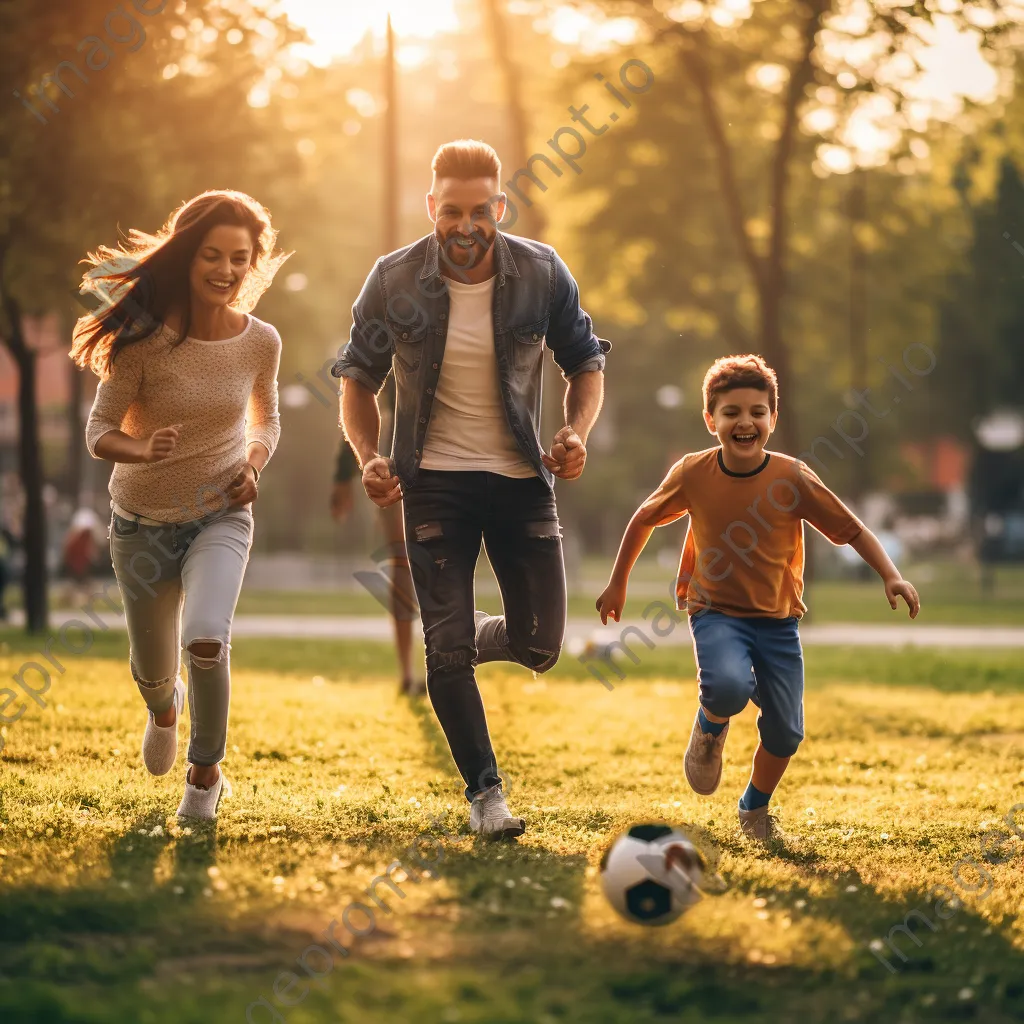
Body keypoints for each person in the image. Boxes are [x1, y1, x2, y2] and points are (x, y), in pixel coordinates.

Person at [334, 139, 608, 837]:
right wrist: (368, 454)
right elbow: (357, 379)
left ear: (500, 206)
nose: (464, 225)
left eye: (479, 211)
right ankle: (487, 795)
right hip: (434, 485)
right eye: (450, 211)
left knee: (541, 644)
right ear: (431, 207)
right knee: (446, 654)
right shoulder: (393, 279)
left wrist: (575, 432)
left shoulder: (541, 272)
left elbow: (585, 364)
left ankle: (460, 638)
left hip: (521, 482)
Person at [597, 354, 920, 843]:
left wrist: (891, 575)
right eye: (731, 412)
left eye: (756, 411)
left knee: (787, 733)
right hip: (715, 610)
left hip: (778, 620)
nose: (744, 421)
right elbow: (643, 519)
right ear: (711, 420)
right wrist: (618, 581)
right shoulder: (692, 472)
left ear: (773, 418)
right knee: (727, 685)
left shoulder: (792, 478)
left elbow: (852, 529)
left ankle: (754, 806)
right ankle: (710, 728)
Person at [72, 189, 288, 820]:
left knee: (207, 639)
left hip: (220, 514)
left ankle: (205, 774)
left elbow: (267, 420)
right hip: (140, 527)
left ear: (252, 265)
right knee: (153, 669)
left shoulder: (261, 341)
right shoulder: (142, 341)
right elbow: (97, 432)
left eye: (239, 259)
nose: (225, 270)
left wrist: (252, 465)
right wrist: (140, 449)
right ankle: (165, 710)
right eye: (211, 256)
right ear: (188, 256)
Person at [330, 400, 425, 696]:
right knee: (402, 560)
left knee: (441, 559)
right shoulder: (388, 353)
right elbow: (359, 392)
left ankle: (447, 665)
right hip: (396, 457)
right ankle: (408, 673)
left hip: (447, 449)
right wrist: (343, 474)